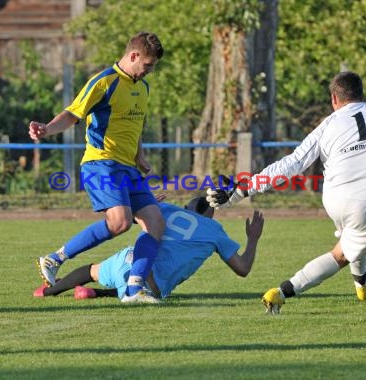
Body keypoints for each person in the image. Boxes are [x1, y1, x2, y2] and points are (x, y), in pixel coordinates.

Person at [207, 71, 366, 314]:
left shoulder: (327, 124)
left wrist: (241, 190)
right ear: (361, 94)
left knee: (353, 241)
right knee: (341, 254)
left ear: (334, 99)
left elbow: (291, 164)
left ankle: (363, 284)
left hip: (335, 200)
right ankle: (280, 293)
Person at [28, 32, 165, 303]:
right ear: (134, 56)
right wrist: (47, 129)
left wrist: (140, 156)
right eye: (147, 65)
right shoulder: (104, 82)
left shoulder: (143, 88)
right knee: (120, 222)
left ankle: (135, 289)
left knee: (155, 223)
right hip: (102, 163)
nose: (150, 71)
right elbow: (72, 114)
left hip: (129, 168)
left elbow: (134, 126)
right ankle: (55, 259)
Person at [32, 197, 265, 301]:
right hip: (150, 283)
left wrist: (150, 203)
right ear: (210, 214)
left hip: (128, 260)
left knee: (92, 270)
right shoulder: (215, 231)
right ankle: (98, 294)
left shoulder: (167, 208)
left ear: (186, 207)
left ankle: (50, 291)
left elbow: (127, 216)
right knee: (148, 290)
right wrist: (253, 239)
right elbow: (242, 269)